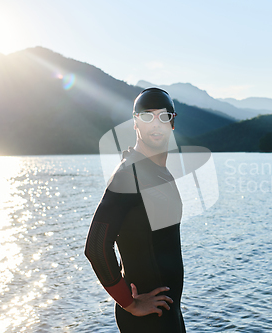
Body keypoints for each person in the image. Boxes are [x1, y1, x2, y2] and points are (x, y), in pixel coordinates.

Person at [85, 87, 186, 332]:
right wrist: (130, 304)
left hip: (166, 311)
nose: (156, 123)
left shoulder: (158, 172)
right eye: (147, 116)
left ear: (172, 123)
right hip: (147, 319)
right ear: (135, 123)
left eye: (163, 116)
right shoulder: (128, 174)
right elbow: (97, 246)